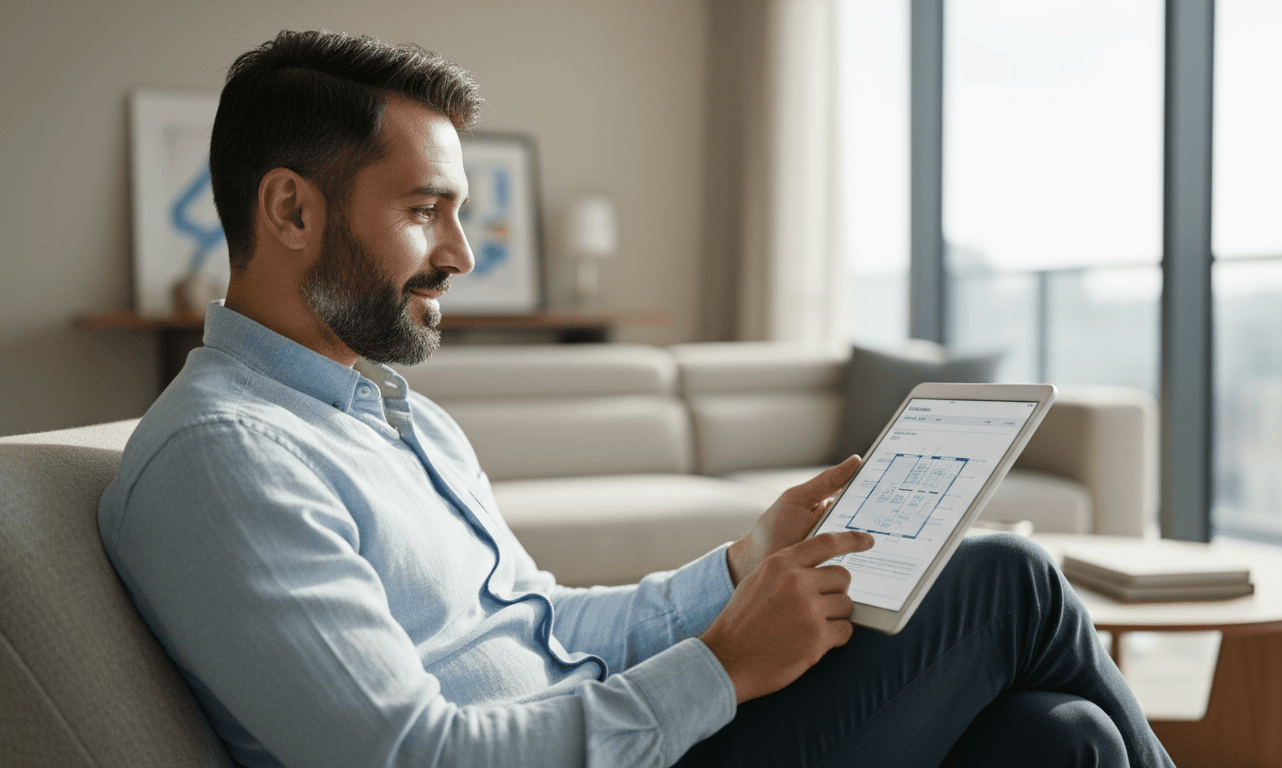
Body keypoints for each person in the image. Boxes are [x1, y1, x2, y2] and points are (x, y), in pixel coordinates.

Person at [98, 30, 1174, 768]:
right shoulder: (225, 458)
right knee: (1009, 581)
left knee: (1061, 737)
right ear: (289, 210)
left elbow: (548, 628)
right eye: (426, 210)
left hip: (626, 740)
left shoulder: (396, 417)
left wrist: (742, 569)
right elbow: (407, 754)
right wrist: (718, 671)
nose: (464, 253)